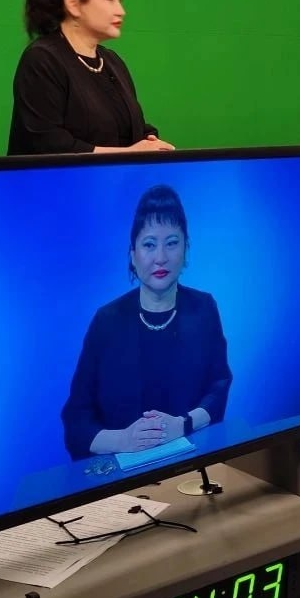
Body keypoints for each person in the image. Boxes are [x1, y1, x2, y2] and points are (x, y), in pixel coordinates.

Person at [61, 185, 232, 460]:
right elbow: (76, 419)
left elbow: (219, 387)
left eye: (172, 243)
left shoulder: (203, 308)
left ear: (186, 249)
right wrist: (124, 440)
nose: (161, 257)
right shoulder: (107, 321)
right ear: (133, 254)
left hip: (193, 463)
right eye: (149, 245)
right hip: (122, 475)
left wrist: (183, 424)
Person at [8, 0, 175, 155]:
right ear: (73, 4)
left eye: (120, 0)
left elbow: (133, 128)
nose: (121, 11)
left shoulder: (112, 61)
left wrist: (151, 143)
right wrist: (129, 154)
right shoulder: (42, 59)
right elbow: (48, 144)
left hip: (116, 176)